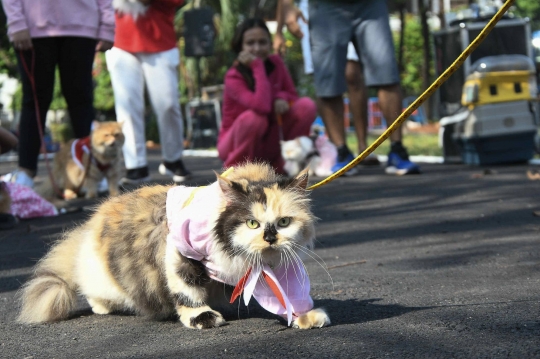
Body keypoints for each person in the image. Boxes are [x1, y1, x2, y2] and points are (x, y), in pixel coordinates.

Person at [276, 0, 420, 176]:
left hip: (370, 5)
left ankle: (397, 150)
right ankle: (341, 152)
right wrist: (288, 5)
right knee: (328, 82)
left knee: (387, 75)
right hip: (324, 7)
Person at [1, 0, 115, 188]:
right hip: (33, 27)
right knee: (34, 101)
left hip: (82, 25)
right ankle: (26, 172)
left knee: (82, 100)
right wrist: (16, 22)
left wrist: (108, 26)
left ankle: (91, 172)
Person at [106, 0, 191, 185]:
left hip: (160, 38)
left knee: (168, 104)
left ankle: (172, 159)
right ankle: (136, 166)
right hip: (120, 38)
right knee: (127, 106)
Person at [218, 18, 316, 173]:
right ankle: (235, 171)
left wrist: (282, 97)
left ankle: (284, 164)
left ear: (269, 44)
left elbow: (293, 96)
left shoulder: (276, 62)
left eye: (262, 42)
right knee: (255, 118)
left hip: (270, 139)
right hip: (234, 144)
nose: (257, 48)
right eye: (250, 43)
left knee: (306, 106)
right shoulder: (233, 76)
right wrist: (257, 66)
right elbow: (261, 106)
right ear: (240, 47)